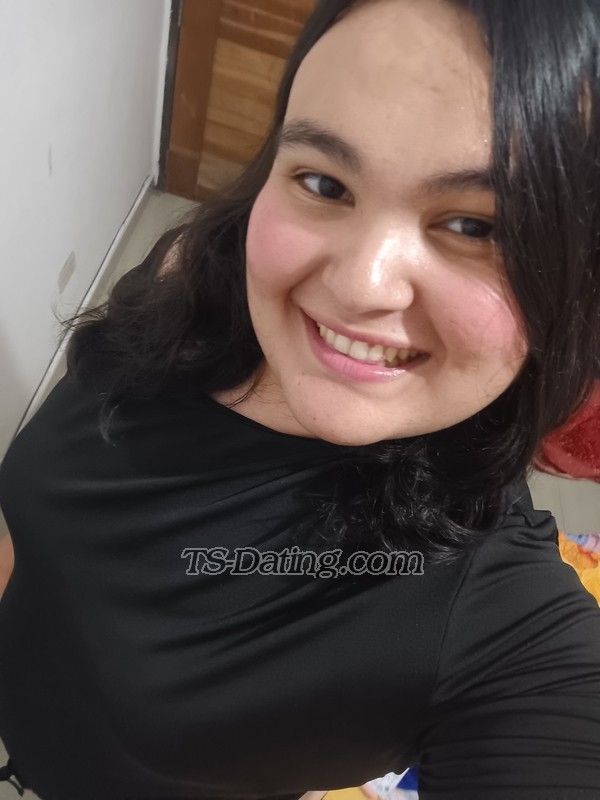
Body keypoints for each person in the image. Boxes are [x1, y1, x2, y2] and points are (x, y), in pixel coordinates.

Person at [1, 0, 599, 798]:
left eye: (476, 227)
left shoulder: (504, 624)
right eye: (325, 182)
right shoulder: (193, 275)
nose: (358, 285)